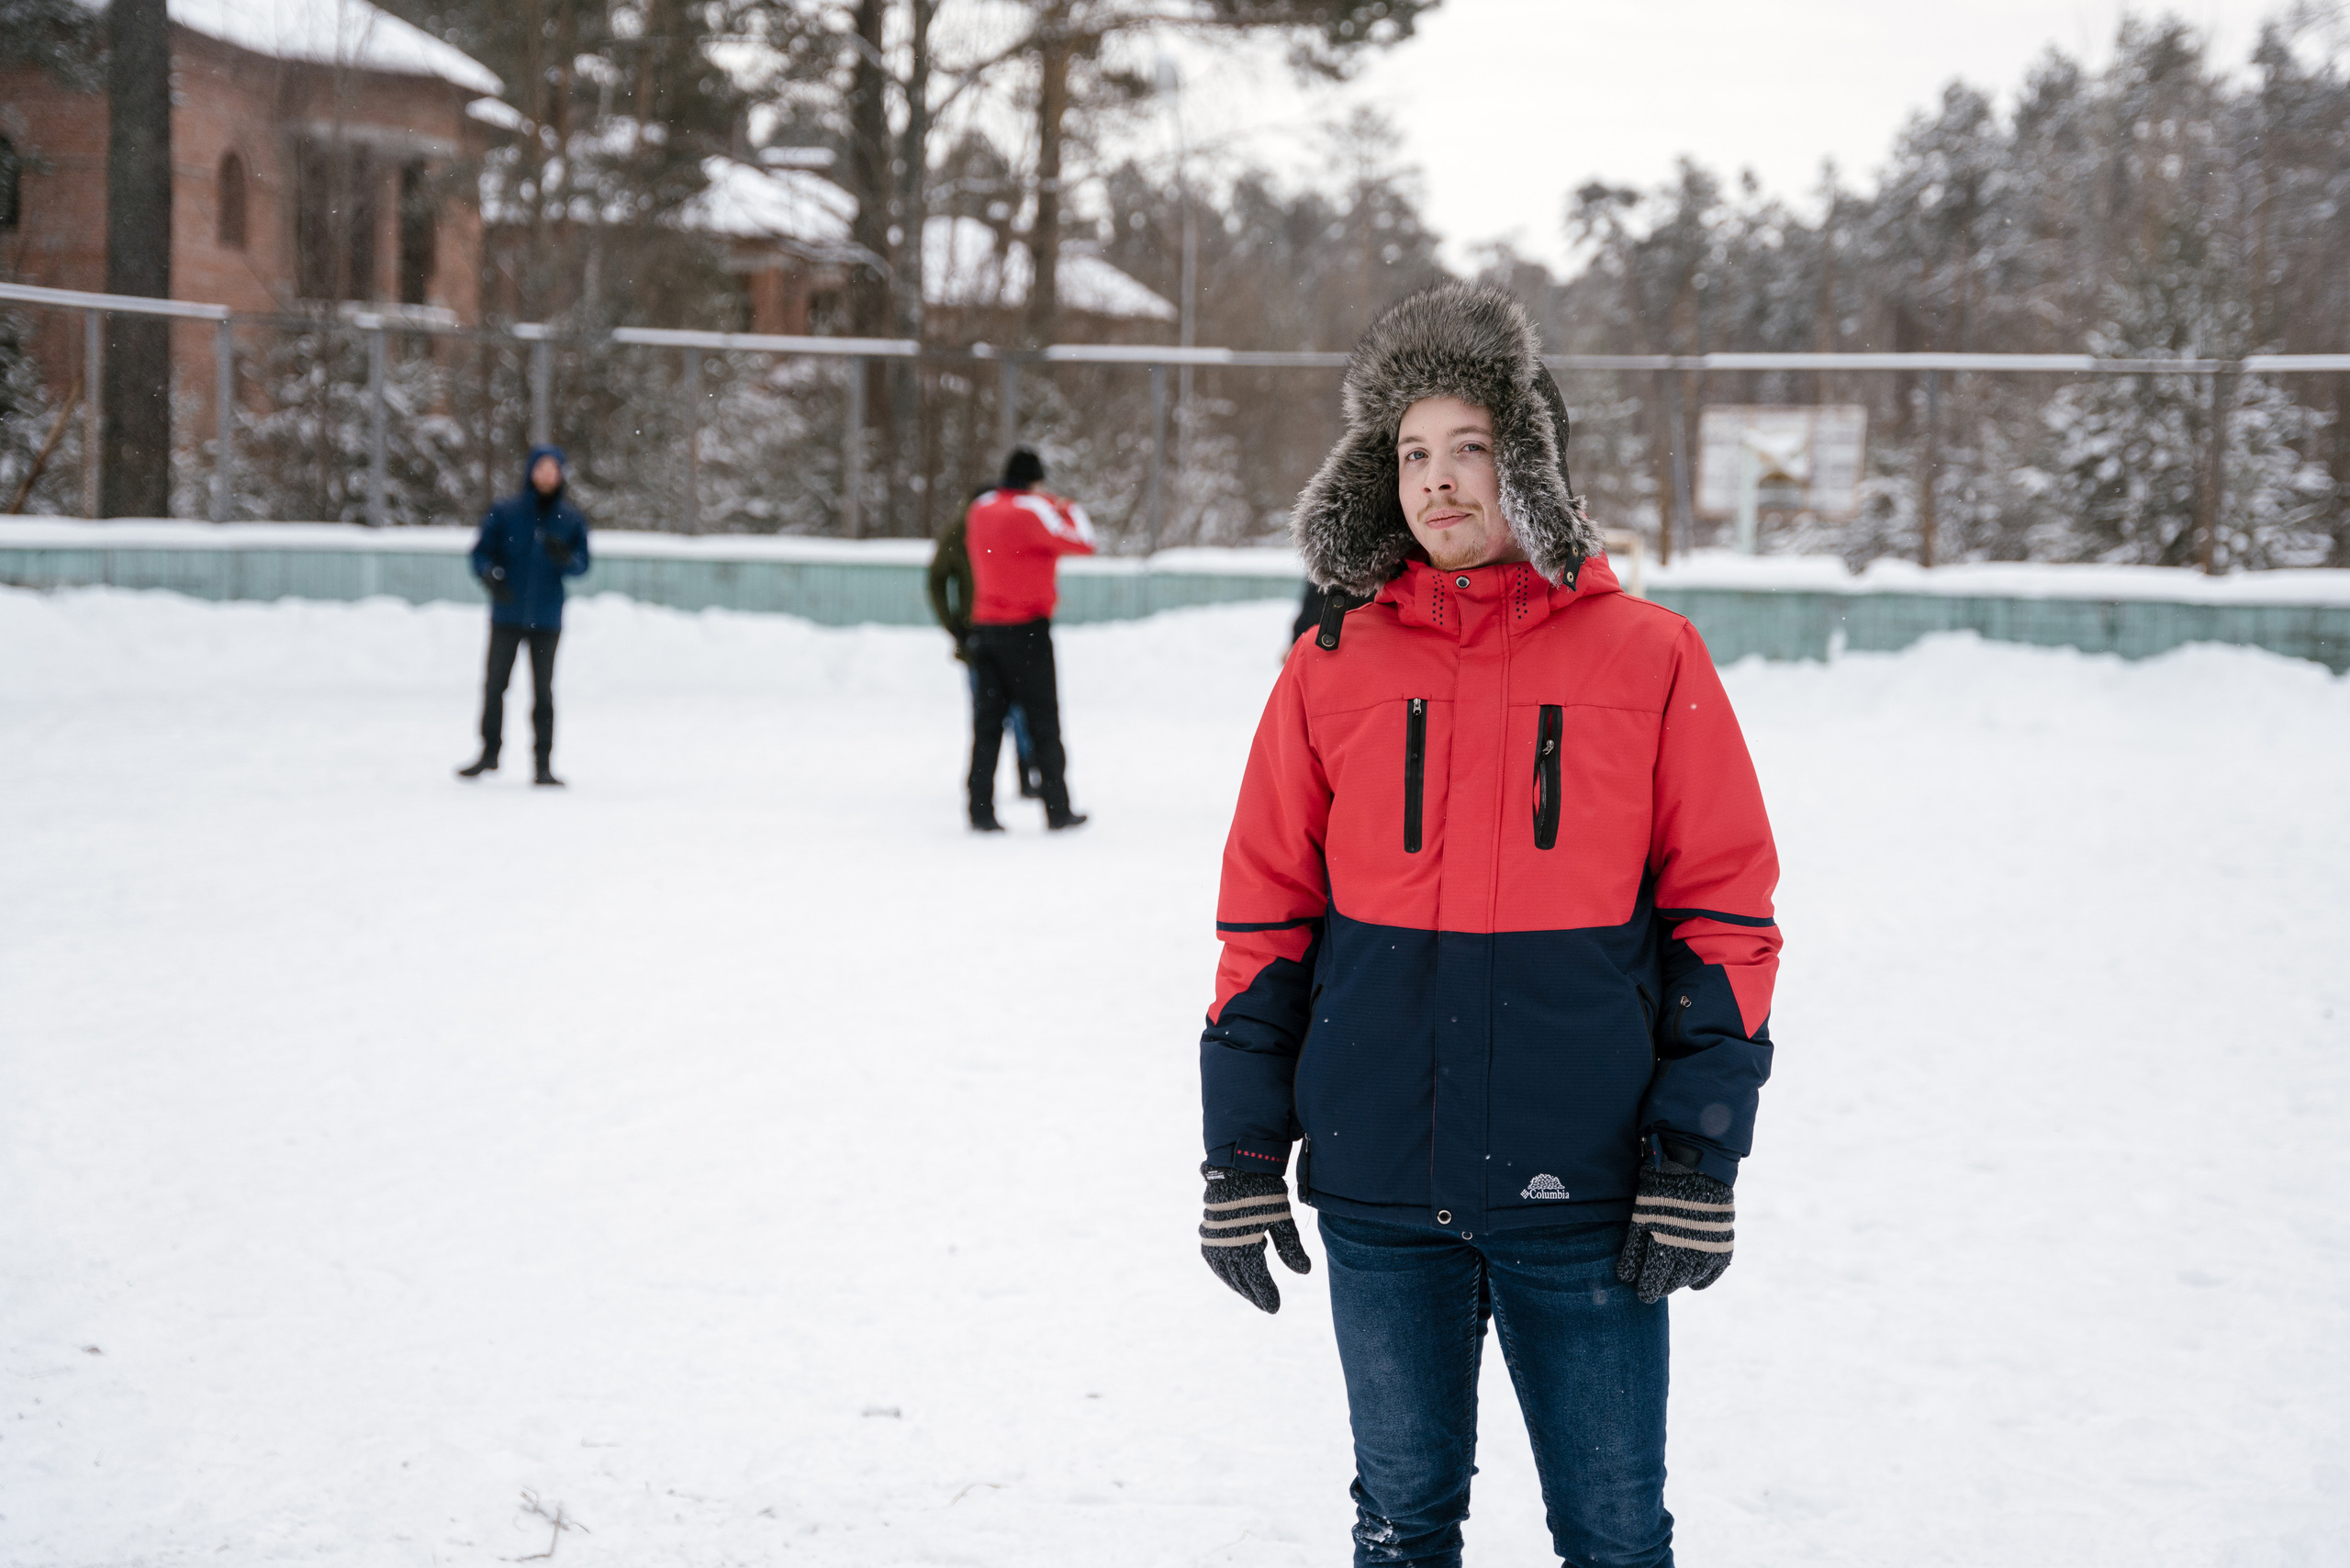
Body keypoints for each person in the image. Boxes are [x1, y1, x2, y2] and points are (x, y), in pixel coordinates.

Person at [1195, 284, 1781, 1568]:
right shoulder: (1332, 664)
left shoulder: (1651, 658)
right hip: (1378, 1181)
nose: (1438, 480)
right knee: (1403, 1525)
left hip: (1585, 1186)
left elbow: (1726, 918)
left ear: (1535, 463)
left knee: (1616, 1533)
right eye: (1412, 452)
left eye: (1470, 447)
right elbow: (1266, 919)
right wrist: (1241, 1152)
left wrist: (1699, 1154)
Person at [961, 449, 1094, 833]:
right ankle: (1057, 808)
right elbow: (1084, 542)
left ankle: (980, 809)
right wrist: (1064, 505)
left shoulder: (980, 508)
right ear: (1035, 481)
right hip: (1028, 630)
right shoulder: (1034, 509)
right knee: (1043, 722)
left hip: (985, 629)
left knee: (987, 725)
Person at [457, 445, 590, 787]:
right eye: (541, 469)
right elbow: (480, 553)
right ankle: (489, 753)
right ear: (530, 472)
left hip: (547, 619)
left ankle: (543, 764)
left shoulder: (571, 518)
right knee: (494, 687)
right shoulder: (506, 512)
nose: (546, 475)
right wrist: (490, 575)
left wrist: (565, 558)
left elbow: (582, 565)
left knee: (543, 692)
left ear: (560, 475)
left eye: (553, 469)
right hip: (507, 614)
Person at [929, 485, 1043, 801]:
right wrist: (954, 625)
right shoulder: (961, 531)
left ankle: (1024, 773)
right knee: (990, 712)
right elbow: (937, 578)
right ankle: (983, 785)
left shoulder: (1005, 526)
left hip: (1012, 632)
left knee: (1016, 709)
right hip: (979, 636)